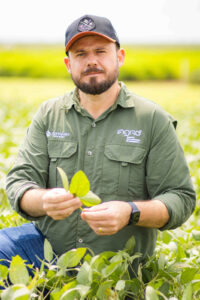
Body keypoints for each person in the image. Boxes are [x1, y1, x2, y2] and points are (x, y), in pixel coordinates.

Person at [2, 15, 196, 274]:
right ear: (68, 64)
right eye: (81, 54)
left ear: (120, 56)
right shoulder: (49, 114)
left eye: (101, 51)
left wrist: (130, 212)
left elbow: (180, 198)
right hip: (47, 254)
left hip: (116, 267)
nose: (91, 60)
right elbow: (18, 183)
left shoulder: (152, 119)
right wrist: (43, 199)